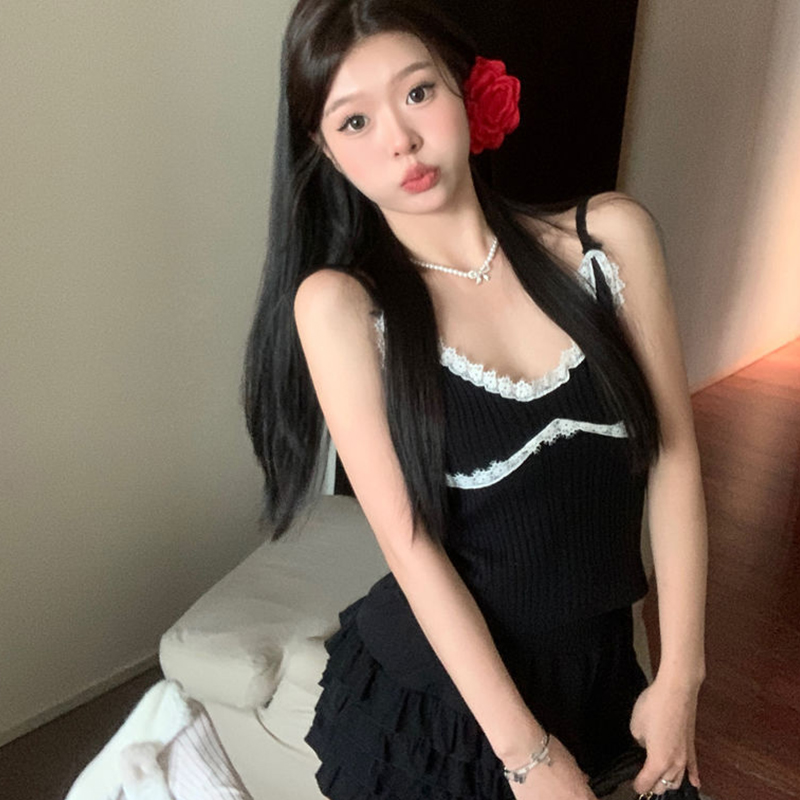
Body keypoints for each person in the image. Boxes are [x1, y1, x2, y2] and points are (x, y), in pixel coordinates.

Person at [242, 0, 709, 797]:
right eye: (355, 122)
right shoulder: (341, 307)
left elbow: (674, 459)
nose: (400, 139)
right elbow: (408, 543)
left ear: (467, 89)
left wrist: (680, 678)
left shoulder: (609, 240)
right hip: (446, 714)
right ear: (325, 151)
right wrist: (528, 757)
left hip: (604, 679)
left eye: (418, 92)